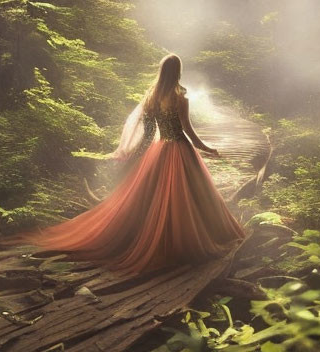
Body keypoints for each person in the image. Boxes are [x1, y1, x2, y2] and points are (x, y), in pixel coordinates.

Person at [18, 53, 245, 274]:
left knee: (156, 198)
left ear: (161, 72)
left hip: (160, 149)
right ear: (177, 72)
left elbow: (148, 134)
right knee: (191, 195)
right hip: (179, 149)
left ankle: (158, 238)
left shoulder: (153, 98)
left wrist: (137, 155)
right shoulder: (180, 99)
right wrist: (205, 148)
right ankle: (188, 240)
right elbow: (187, 130)